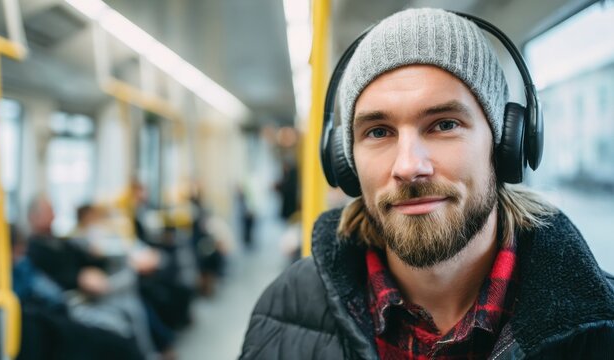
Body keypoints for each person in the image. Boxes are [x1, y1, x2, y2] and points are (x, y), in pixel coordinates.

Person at [241, 8, 614, 359]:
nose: (408, 166)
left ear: (506, 146)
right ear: (345, 163)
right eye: (378, 131)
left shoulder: (601, 325)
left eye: (444, 124)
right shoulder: (282, 313)